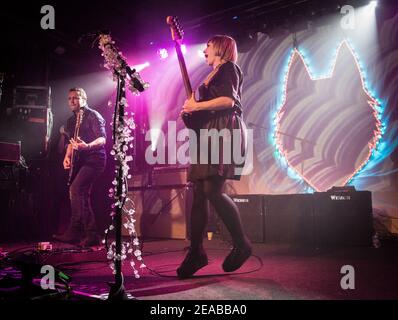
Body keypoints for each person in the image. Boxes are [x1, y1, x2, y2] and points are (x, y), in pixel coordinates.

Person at [177, 35, 252, 278]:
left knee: (211, 191)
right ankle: (196, 251)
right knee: (199, 194)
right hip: (210, 132)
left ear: (220, 47)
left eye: (207, 46)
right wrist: (190, 114)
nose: (204, 51)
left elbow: (229, 100)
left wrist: (196, 107)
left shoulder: (229, 68)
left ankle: (241, 244)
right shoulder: (213, 74)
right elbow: (206, 109)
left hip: (223, 132)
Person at [53, 88, 106, 247]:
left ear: (84, 99)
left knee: (76, 190)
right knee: (80, 194)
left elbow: (102, 139)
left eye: (75, 98)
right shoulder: (71, 120)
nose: (72, 101)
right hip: (81, 161)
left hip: (95, 160)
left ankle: (81, 232)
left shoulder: (93, 115)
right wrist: (66, 157)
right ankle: (85, 234)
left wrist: (88, 146)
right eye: (69, 98)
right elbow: (71, 143)